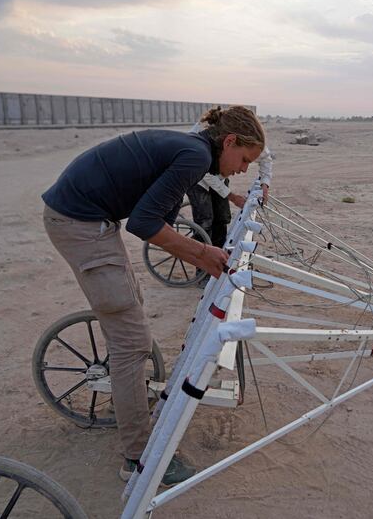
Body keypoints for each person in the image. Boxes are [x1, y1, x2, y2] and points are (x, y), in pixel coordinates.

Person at [41, 106, 265, 484]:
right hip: (81, 223)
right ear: (229, 142)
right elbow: (145, 223)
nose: (243, 169)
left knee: (130, 314)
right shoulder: (194, 156)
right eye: (244, 159)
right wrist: (201, 253)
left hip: (88, 218)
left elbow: (153, 218)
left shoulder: (191, 149)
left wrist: (198, 252)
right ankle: (137, 456)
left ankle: (126, 396)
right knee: (131, 341)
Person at [186, 123, 274, 252]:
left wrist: (264, 184)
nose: (244, 169)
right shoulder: (205, 141)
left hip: (219, 175)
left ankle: (219, 254)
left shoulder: (250, 141)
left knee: (222, 218)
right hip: (197, 179)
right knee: (205, 222)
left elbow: (266, 159)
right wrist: (232, 197)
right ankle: (203, 266)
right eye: (244, 160)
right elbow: (207, 175)